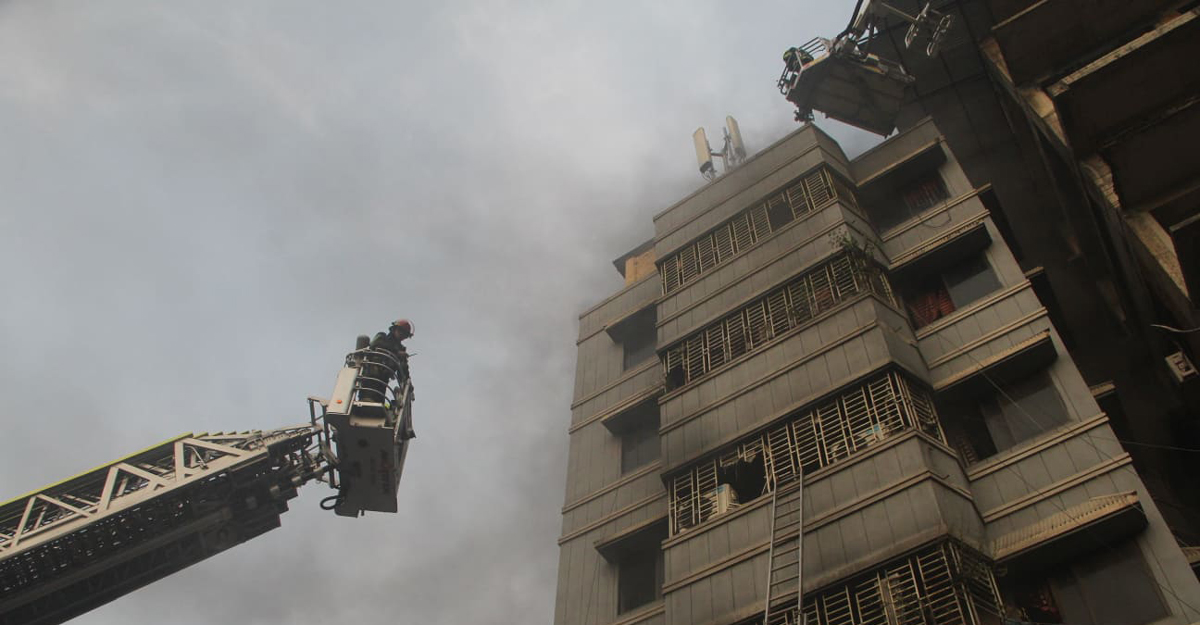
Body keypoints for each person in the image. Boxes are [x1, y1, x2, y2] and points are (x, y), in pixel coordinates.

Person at [358, 319, 413, 404]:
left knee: (378, 402)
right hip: (371, 375)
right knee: (366, 398)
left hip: (383, 380)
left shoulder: (401, 350)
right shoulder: (382, 337)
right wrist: (397, 353)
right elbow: (375, 345)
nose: (402, 335)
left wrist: (409, 387)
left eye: (405, 334)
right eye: (401, 331)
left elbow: (404, 370)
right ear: (394, 329)